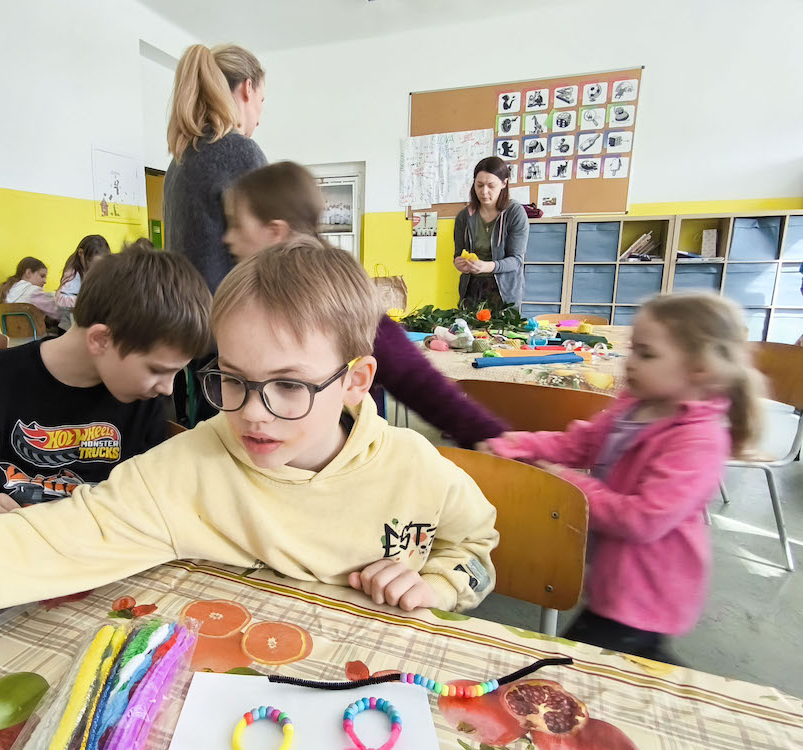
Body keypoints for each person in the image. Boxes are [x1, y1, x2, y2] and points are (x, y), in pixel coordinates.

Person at [0, 238, 499, 641]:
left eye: (289, 385)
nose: (252, 415)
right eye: (231, 380)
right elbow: (38, 542)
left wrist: (439, 584)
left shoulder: (417, 468)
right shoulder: (184, 469)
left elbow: (475, 552)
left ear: (356, 381)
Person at [480, 292, 764, 663]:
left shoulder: (699, 439)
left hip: (648, 589)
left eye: (646, 354)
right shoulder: (635, 406)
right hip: (612, 575)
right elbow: (580, 443)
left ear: (698, 369)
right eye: (633, 349)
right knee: (629, 662)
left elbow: (643, 519)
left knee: (580, 665)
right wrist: (518, 443)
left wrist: (569, 484)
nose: (630, 362)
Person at [0, 247, 210, 527]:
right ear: (100, 340)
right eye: (157, 370)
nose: (168, 389)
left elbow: (152, 484)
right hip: (5, 547)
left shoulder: (142, 398)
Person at [223, 161, 507, 447]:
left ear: (275, 232)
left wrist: (492, 437)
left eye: (236, 225)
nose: (228, 239)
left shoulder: (332, 294)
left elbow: (414, 377)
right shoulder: (250, 299)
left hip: (345, 460)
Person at [164, 43, 267, 293]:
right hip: (224, 312)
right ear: (248, 88)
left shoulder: (178, 162)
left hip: (182, 311)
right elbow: (268, 261)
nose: (259, 120)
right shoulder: (242, 153)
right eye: (262, 100)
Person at [453, 157, 529, 309]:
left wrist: (487, 266)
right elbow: (458, 254)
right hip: (472, 290)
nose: (484, 191)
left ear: (504, 183)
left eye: (491, 185)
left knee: (502, 325)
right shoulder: (464, 217)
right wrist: (459, 263)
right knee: (467, 325)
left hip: (504, 291)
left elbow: (516, 260)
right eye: (479, 185)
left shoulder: (514, 213)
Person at [55, 235, 110, 329]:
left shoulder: (100, 271)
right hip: (69, 328)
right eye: (92, 262)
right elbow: (60, 299)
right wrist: (87, 301)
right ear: (81, 253)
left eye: (100, 264)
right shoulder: (73, 273)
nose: (95, 267)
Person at [0, 256, 60, 325]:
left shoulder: (7, 290)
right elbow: (57, 312)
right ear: (28, 273)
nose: (45, 281)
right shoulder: (33, 292)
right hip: (33, 331)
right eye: (42, 276)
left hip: (10, 331)